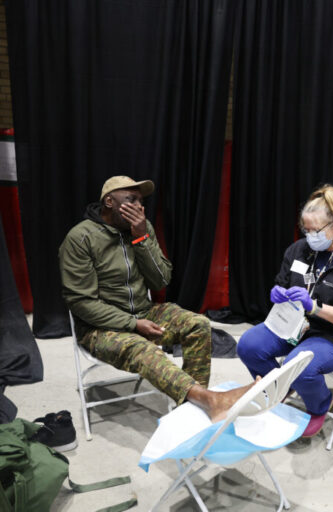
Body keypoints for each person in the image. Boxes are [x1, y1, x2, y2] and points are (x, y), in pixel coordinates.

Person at [59, 175, 253, 421]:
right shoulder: (81, 238)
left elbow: (160, 280)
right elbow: (81, 302)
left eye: (141, 201)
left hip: (144, 311)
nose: (140, 207)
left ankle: (194, 406)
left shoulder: (142, 228)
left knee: (198, 324)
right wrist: (131, 325)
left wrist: (141, 238)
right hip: (99, 328)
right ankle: (209, 400)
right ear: (109, 201)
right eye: (131, 199)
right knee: (140, 348)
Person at [236, 184, 333, 437]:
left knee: (299, 366)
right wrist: (276, 293)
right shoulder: (299, 250)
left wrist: (315, 306)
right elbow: (282, 283)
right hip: (294, 326)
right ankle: (281, 387)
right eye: (306, 229)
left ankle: (320, 405)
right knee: (248, 345)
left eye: (316, 229)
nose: (310, 235)